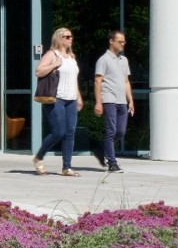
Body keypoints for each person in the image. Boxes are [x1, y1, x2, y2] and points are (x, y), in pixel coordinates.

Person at [30, 28, 80, 175]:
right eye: (67, 36)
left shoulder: (71, 57)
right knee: (58, 132)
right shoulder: (52, 54)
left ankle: (67, 167)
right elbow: (38, 71)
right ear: (59, 38)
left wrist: (79, 97)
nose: (70, 39)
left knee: (70, 133)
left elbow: (73, 79)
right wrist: (54, 64)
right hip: (56, 98)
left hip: (71, 99)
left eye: (71, 36)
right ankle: (39, 157)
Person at [91, 30, 134, 171]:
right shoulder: (103, 60)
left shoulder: (124, 60)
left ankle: (101, 149)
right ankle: (112, 162)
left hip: (122, 101)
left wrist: (130, 100)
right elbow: (98, 81)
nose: (123, 44)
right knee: (111, 131)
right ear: (111, 41)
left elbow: (126, 81)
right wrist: (98, 102)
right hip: (109, 99)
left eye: (124, 41)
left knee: (120, 132)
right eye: (120, 41)